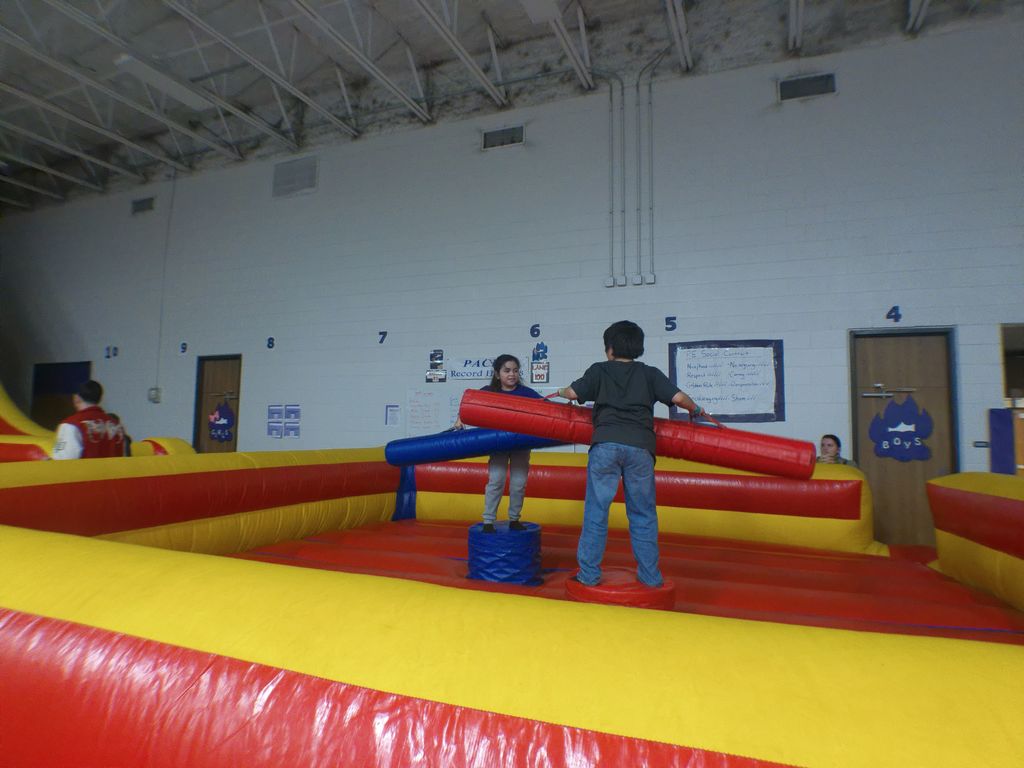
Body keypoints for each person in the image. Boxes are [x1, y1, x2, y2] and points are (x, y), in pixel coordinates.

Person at [552, 321, 703, 587]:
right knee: (643, 514)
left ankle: (588, 576)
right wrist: (696, 409)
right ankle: (650, 577)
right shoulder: (650, 373)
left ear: (609, 348)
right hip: (640, 449)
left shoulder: (599, 370)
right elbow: (679, 399)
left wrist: (563, 391)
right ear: (638, 348)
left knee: (596, 512)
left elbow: (574, 393)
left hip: (605, 446)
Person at [454, 355, 542, 533]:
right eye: (507, 370)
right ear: (497, 373)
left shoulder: (526, 393)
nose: (512, 374)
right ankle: (488, 521)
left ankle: (514, 519)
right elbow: (469, 407)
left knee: (518, 483)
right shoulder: (489, 391)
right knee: (496, 481)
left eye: (515, 371)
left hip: (521, 445)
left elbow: (547, 408)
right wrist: (459, 420)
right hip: (498, 446)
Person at [52, 380, 126, 459]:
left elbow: (63, 459)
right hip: (113, 471)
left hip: (84, 471)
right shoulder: (116, 425)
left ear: (77, 398)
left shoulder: (72, 424)